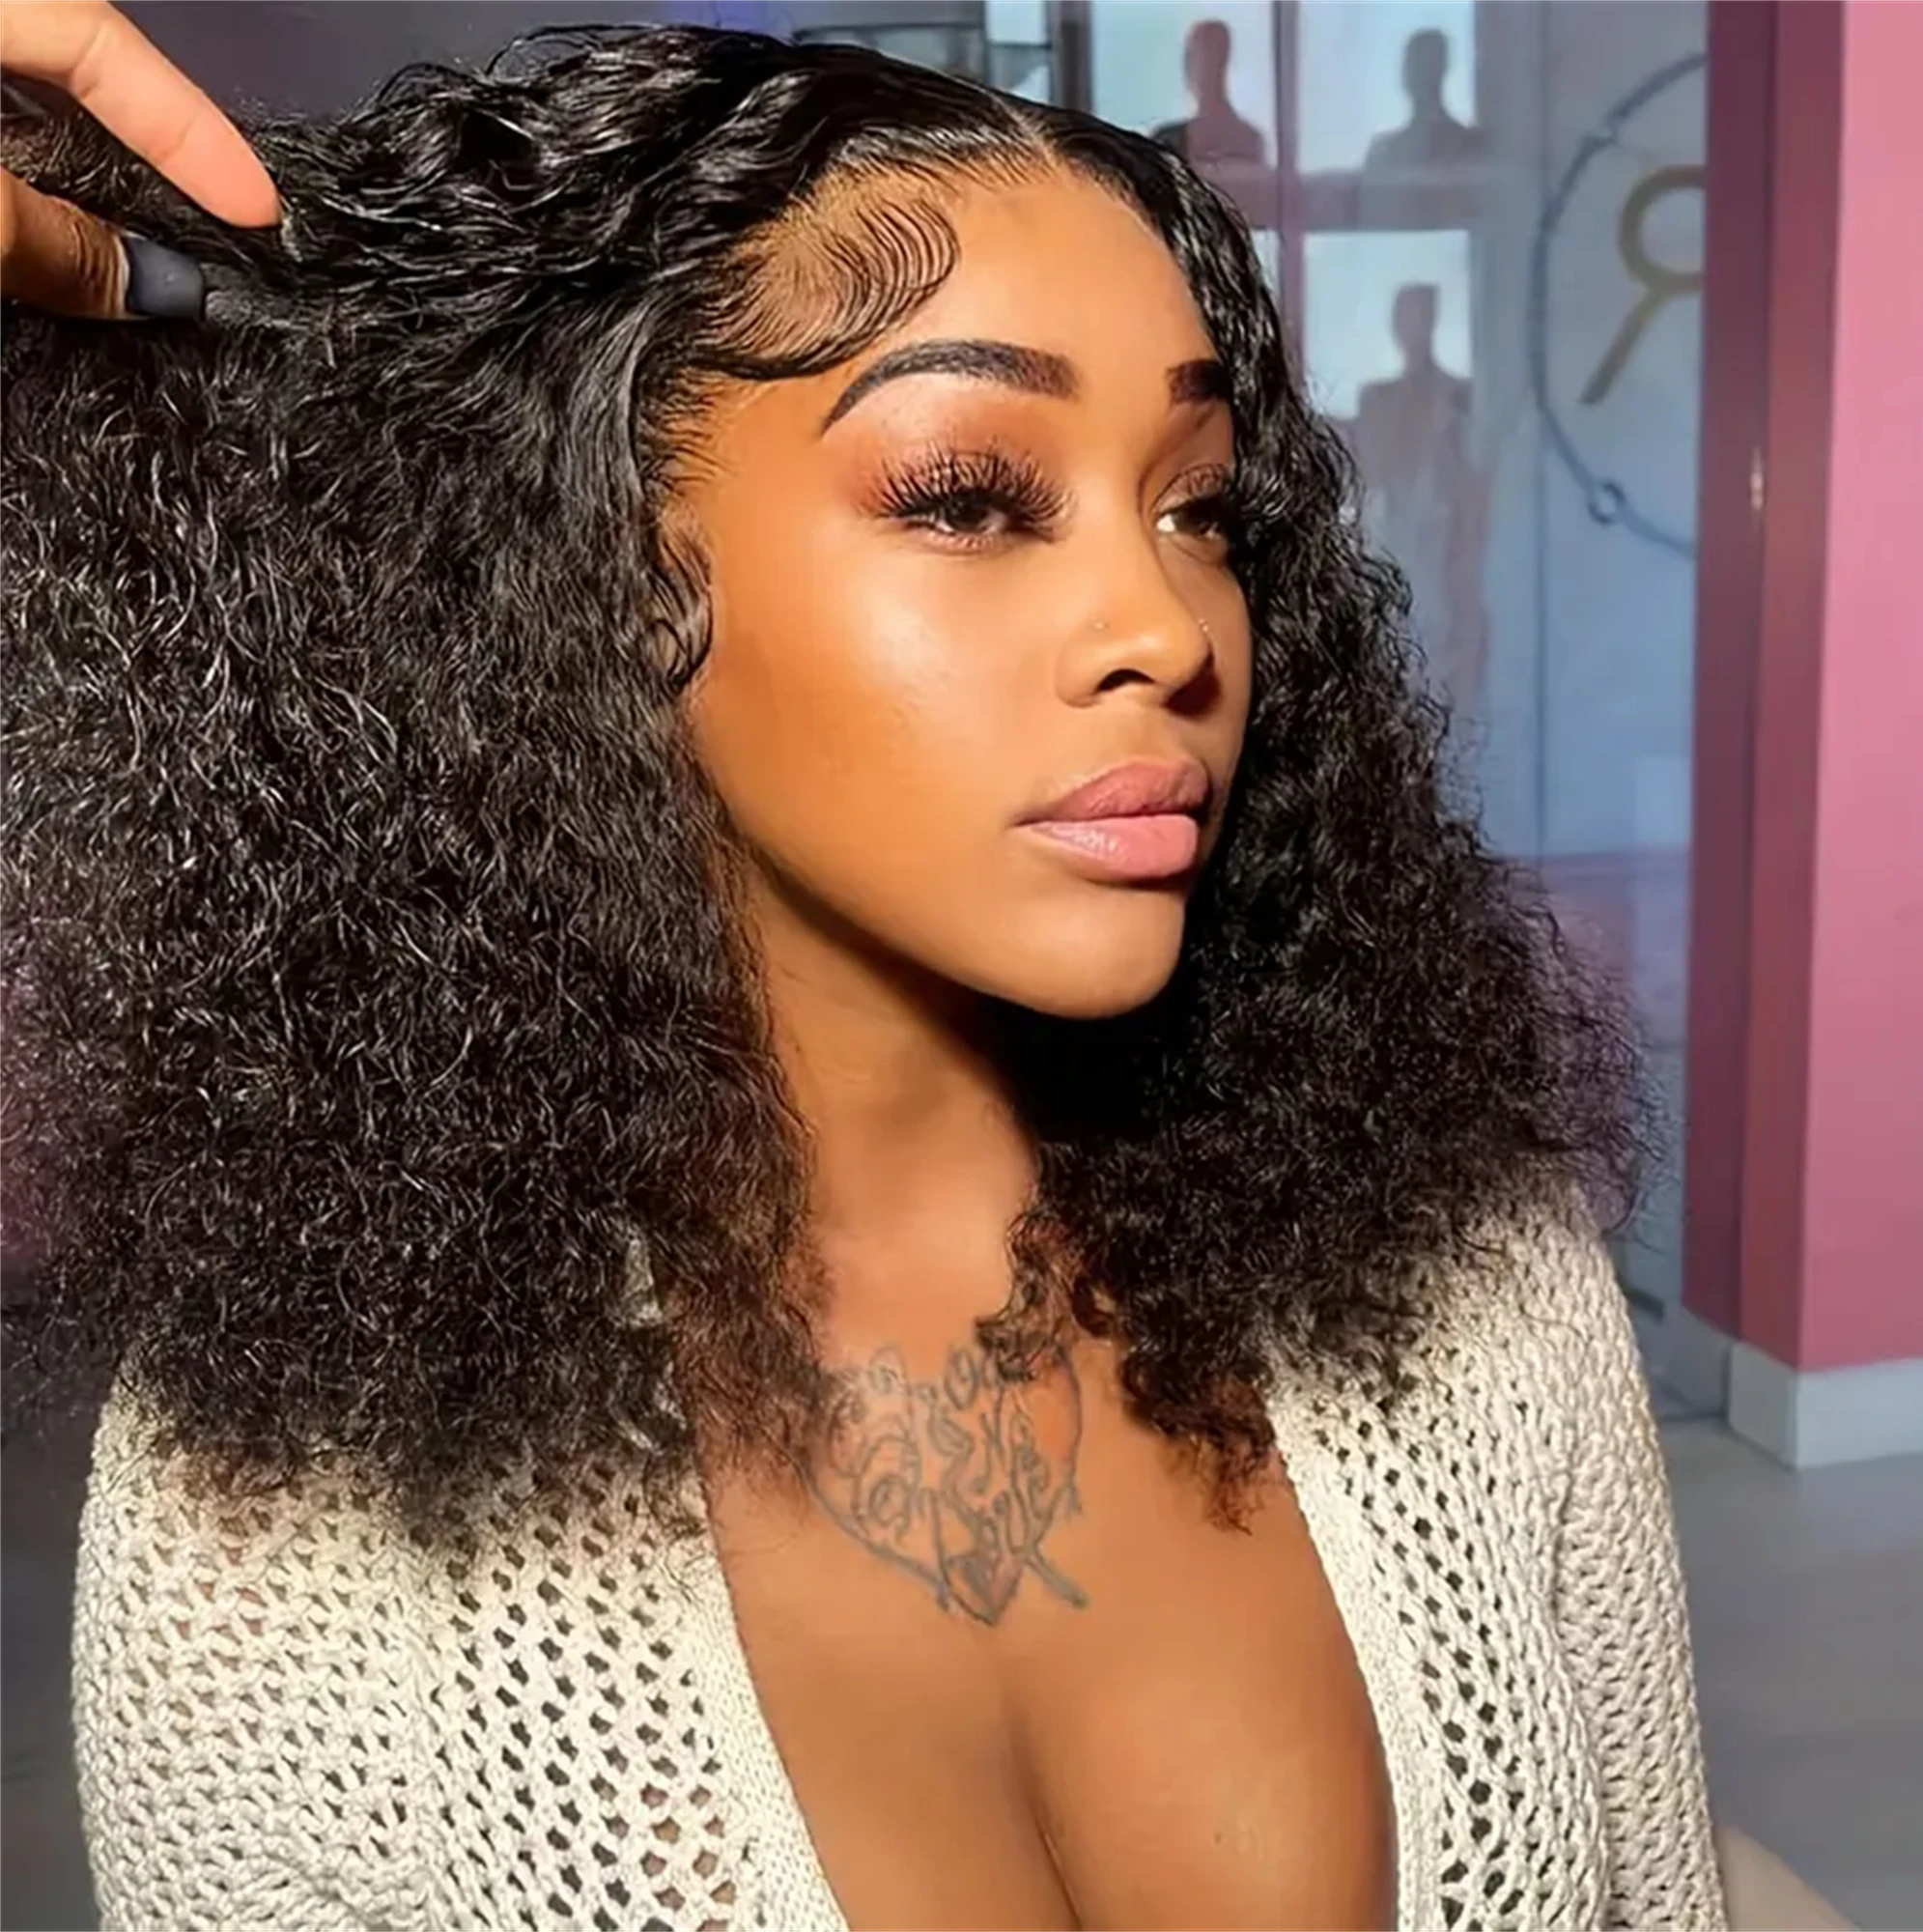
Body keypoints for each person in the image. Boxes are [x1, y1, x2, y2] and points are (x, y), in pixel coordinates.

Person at [1, 10, 1726, 1931]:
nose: (1167, 627)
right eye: (970, 494)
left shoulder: (1467, 1286)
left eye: (1198, 506)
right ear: (593, 574)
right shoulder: (277, 1508)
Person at [1346, 284, 1490, 715]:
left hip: (1441, 551)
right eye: (1406, 316)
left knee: (1444, 668)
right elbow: (1370, 476)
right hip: (1392, 543)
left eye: (1421, 315)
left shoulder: (1456, 395)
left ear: (1433, 321)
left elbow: (1471, 487)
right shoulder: (1378, 399)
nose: (1413, 326)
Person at [1363, 28, 1485, 174]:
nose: (1412, 72)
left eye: (1421, 63)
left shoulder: (1468, 144)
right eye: (1410, 64)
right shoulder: (1384, 151)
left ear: (1440, 70)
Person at [1149, 17, 1265, 168]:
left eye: (1209, 56)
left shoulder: (1248, 140)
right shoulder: (1167, 140)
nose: (1203, 67)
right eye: (1194, 58)